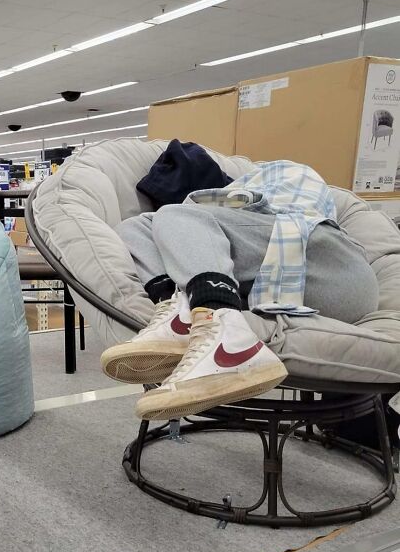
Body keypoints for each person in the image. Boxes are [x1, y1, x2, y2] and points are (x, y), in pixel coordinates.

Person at [101, 155, 379, 422]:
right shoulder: (214, 241)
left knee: (174, 215)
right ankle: (181, 312)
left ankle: (228, 338)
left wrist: (193, 210)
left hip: (334, 268)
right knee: (134, 227)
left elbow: (297, 205)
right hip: (313, 289)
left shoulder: (274, 175)